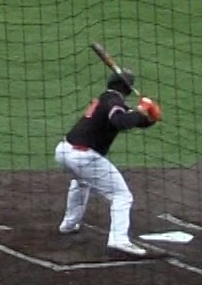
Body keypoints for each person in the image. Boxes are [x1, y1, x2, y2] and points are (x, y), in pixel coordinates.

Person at [55, 69, 162, 258]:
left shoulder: (107, 99)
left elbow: (128, 119)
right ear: (127, 88)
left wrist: (150, 118)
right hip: (83, 156)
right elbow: (120, 122)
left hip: (64, 151)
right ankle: (119, 240)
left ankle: (69, 224)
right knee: (122, 195)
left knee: (82, 182)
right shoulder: (113, 102)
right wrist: (141, 111)